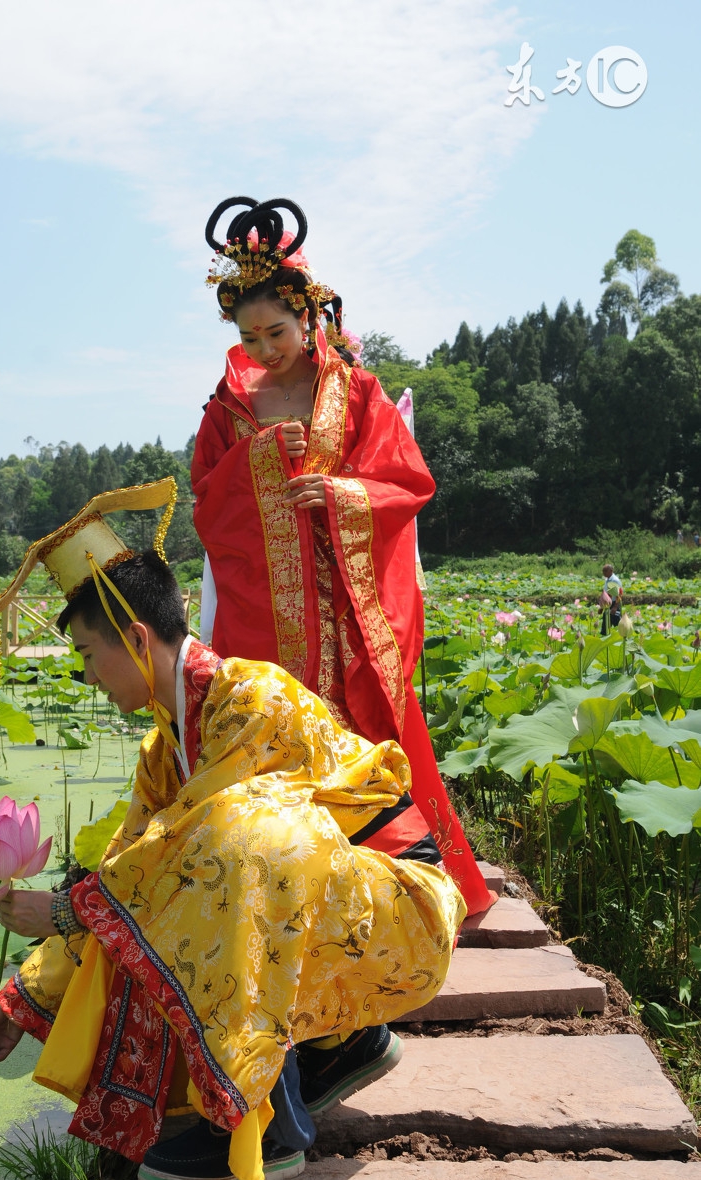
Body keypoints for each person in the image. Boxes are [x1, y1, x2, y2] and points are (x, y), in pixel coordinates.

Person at [0, 479, 466, 1180]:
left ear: (137, 640)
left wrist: (71, 908)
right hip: (337, 910)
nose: (85, 677)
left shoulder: (252, 701)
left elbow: (173, 864)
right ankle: (335, 1047)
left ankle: (260, 1125)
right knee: (179, 872)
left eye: (86, 655)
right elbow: (126, 868)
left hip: (405, 910)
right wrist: (20, 998)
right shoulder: (163, 754)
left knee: (233, 843)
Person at [191, 197, 493, 916]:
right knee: (272, 733)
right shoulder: (227, 410)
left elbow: (408, 479)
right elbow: (207, 504)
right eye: (251, 335)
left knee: (372, 731)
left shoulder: (356, 392)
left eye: (278, 331)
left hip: (351, 614)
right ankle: (282, 888)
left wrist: (341, 492)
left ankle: (402, 883)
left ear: (309, 317)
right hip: (268, 615)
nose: (267, 349)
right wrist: (260, 461)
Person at [599, 562, 623, 635]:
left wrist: (615, 607)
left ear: (611, 571)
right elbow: (606, 595)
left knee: (617, 624)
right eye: (603, 571)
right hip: (607, 605)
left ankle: (622, 640)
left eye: (605, 571)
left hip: (614, 604)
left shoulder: (614, 580)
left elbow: (619, 594)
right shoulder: (608, 580)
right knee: (605, 626)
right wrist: (602, 607)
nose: (604, 573)